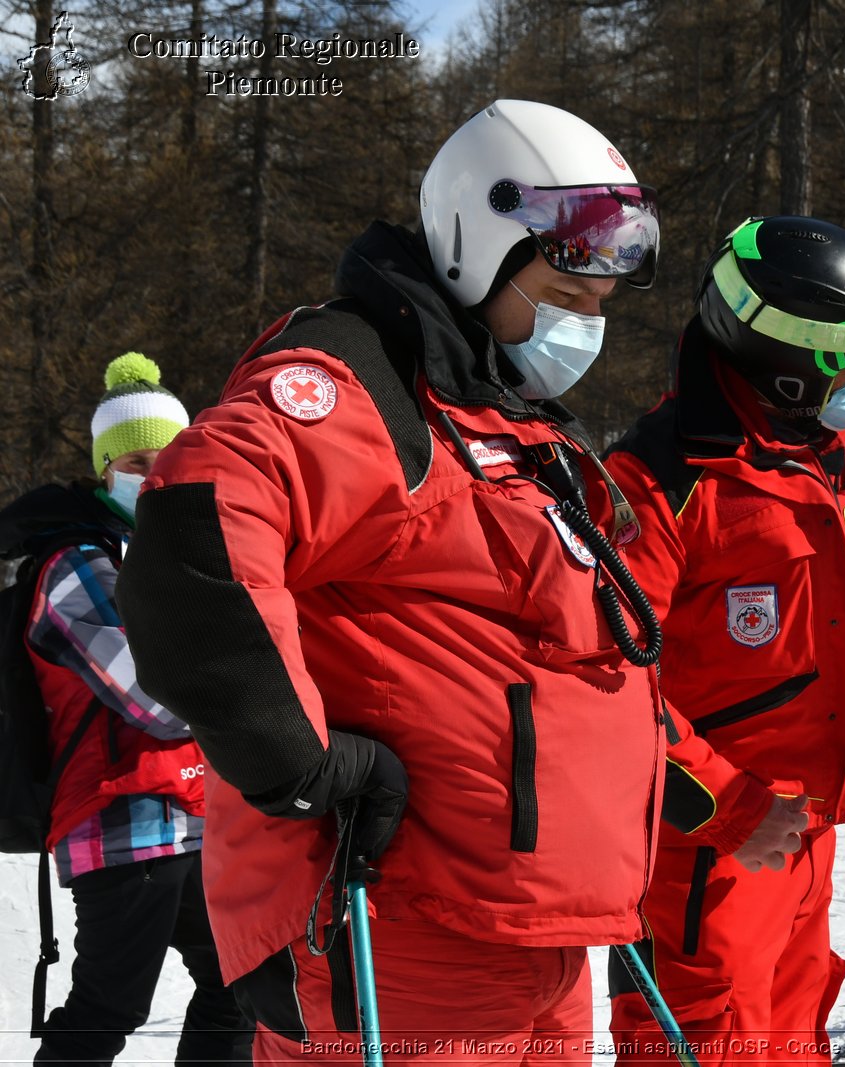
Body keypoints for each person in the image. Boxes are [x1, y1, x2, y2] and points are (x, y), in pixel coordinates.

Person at [116, 100, 667, 1064]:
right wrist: (300, 764)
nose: (585, 326)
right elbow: (198, 521)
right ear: (479, 250)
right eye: (565, 296)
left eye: (600, 307)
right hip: (399, 933)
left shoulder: (506, 417)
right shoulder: (361, 382)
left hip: (540, 938)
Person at [603, 216, 845, 1065]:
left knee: (792, 1028)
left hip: (802, 826)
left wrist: (825, 525)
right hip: (708, 852)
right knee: (706, 1037)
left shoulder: (825, 439)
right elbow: (610, 695)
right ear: (793, 365)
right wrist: (733, 807)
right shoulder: (657, 484)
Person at [23, 353, 251, 1064]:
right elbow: (151, 697)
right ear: (105, 470)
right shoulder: (75, 564)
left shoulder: (160, 554)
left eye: (169, 457)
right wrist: (251, 699)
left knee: (240, 988)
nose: (154, 473)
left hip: (192, 816)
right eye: (137, 459)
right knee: (109, 1006)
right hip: (122, 822)